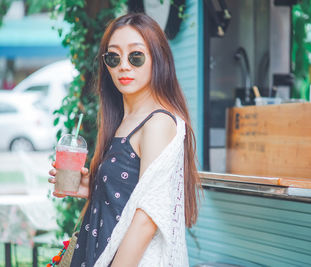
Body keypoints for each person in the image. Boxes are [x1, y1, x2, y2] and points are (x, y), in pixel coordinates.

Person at [48, 13, 201, 267]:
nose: (124, 66)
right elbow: (128, 197)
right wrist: (95, 188)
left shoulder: (157, 123)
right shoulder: (123, 119)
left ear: (157, 59)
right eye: (113, 57)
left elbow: (147, 219)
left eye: (136, 56)